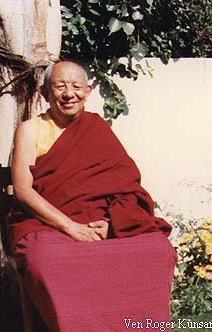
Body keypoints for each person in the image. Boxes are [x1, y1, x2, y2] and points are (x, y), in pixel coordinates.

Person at [9, 61, 177, 332]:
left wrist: (114, 224)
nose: (68, 94)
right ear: (44, 93)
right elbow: (23, 190)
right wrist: (69, 227)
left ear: (87, 92)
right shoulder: (30, 130)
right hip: (49, 223)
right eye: (60, 86)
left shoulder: (97, 129)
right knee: (49, 259)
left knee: (155, 249)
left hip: (98, 222)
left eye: (76, 87)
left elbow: (127, 186)